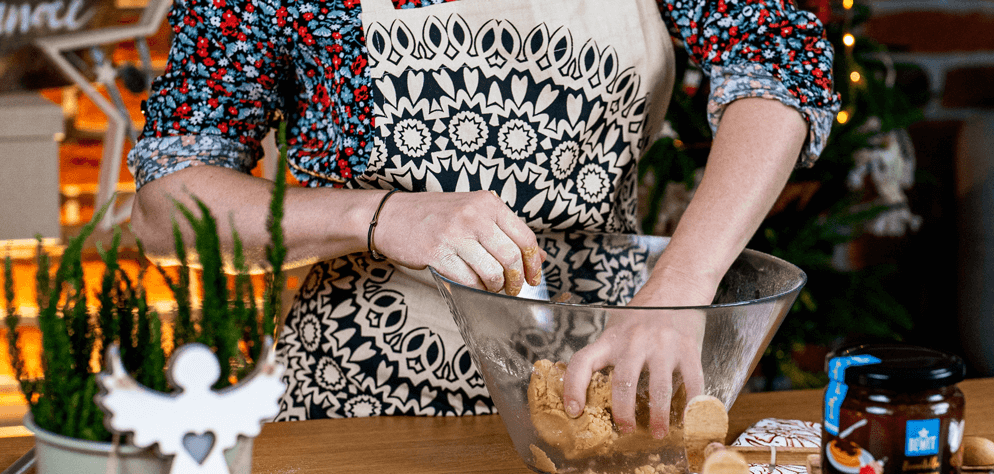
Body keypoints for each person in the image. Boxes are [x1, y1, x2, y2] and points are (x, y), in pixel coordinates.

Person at [128, 0, 840, 437]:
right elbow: (165, 206)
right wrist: (378, 214)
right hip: (358, 403)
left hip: (609, 382)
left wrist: (677, 289)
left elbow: (778, 62)